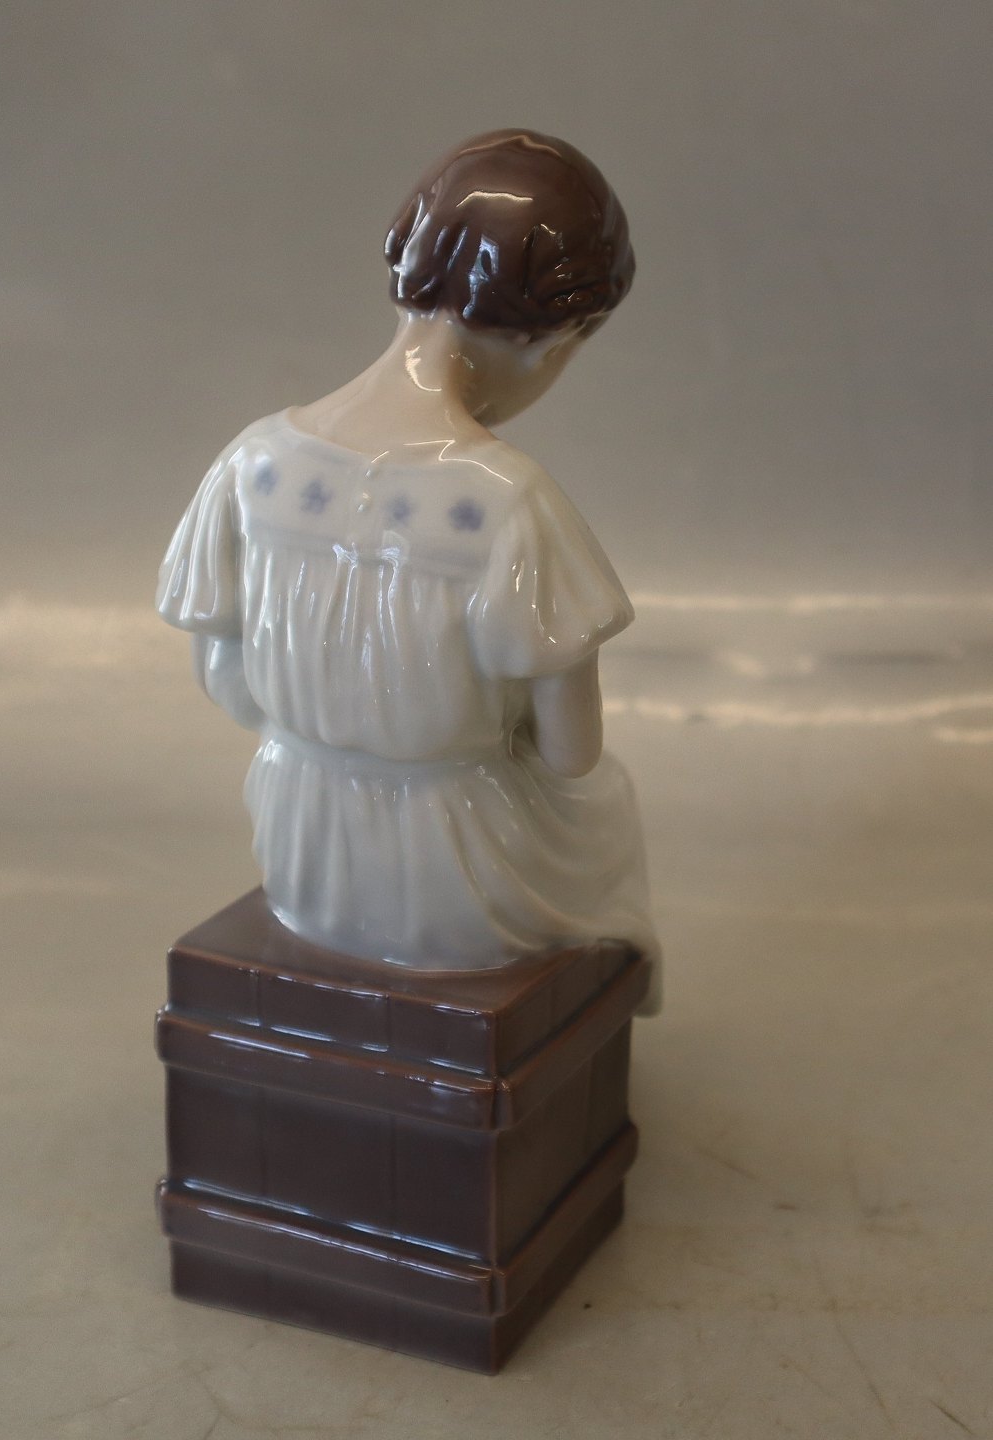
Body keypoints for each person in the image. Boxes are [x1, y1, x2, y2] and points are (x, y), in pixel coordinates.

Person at [157, 129, 660, 1009]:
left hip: (298, 842)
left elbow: (226, 683)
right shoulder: (509, 502)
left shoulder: (253, 462)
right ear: (554, 339)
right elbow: (571, 754)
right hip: (459, 872)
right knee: (605, 808)